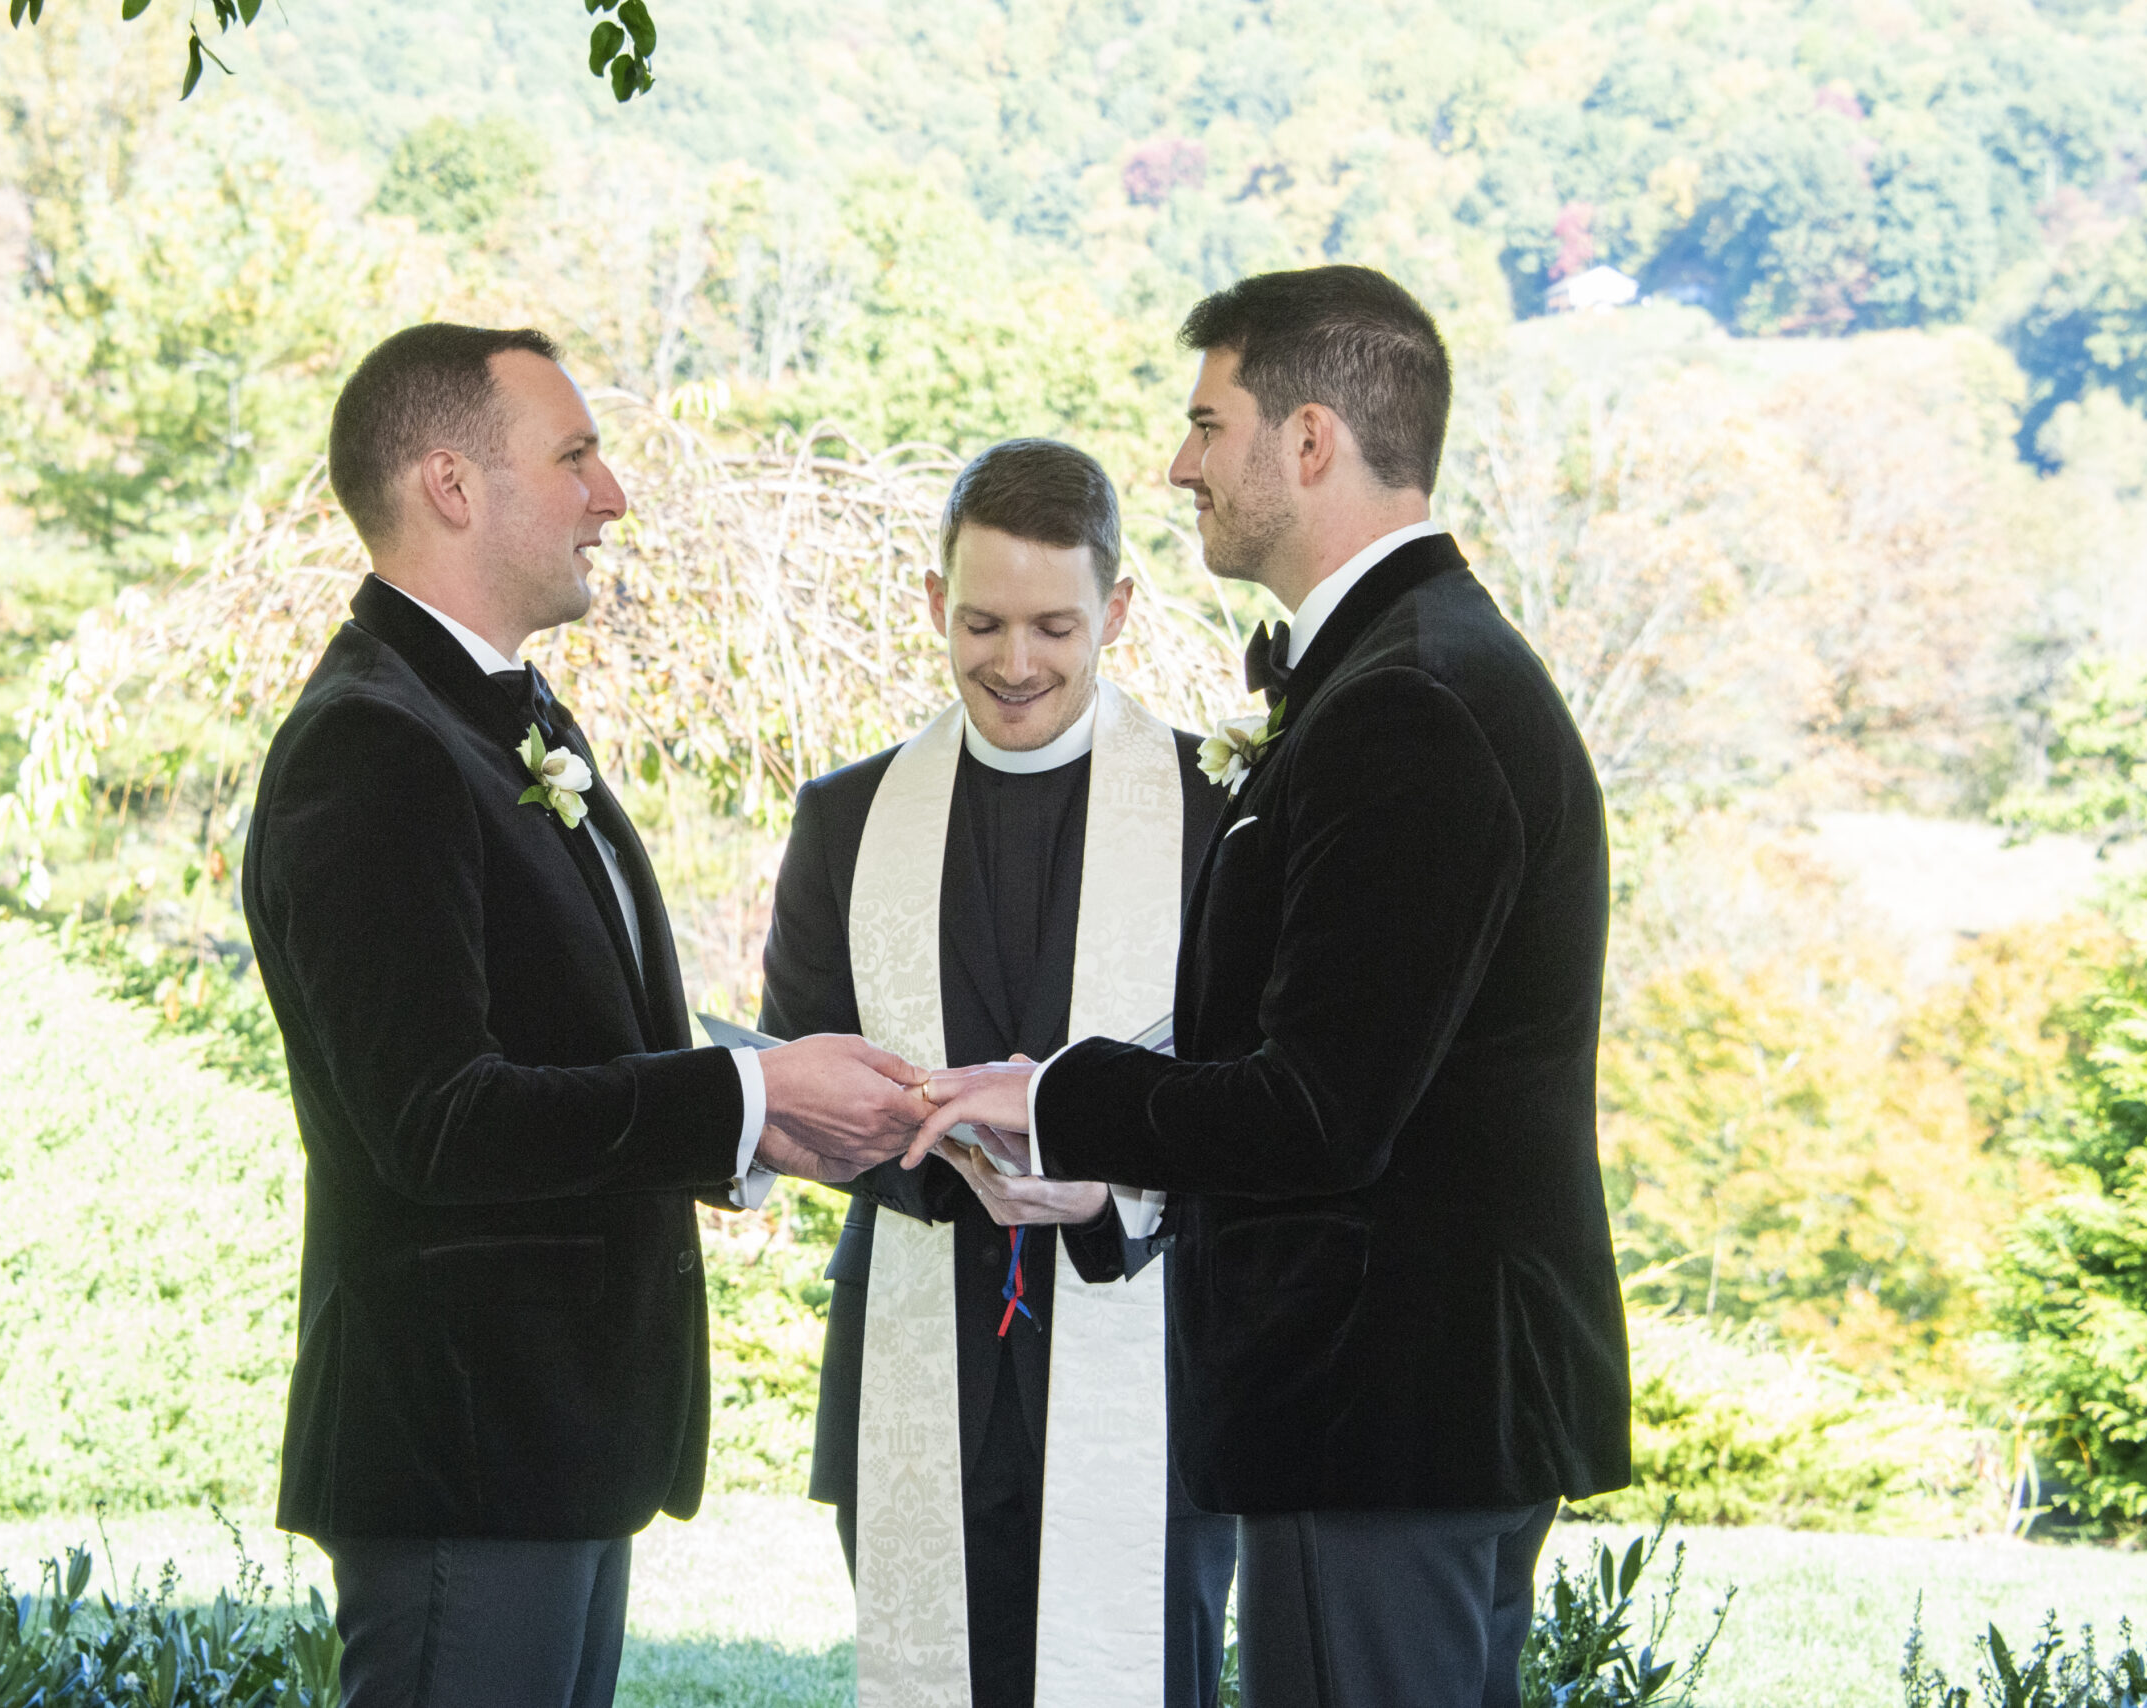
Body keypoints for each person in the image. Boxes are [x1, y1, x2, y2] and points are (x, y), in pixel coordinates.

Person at [912, 269, 1633, 1708]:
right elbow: (1353, 1066)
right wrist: (1108, 1163)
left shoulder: (1408, 703)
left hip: (1384, 1411)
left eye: (1206, 423)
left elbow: (1320, 1109)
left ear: (1308, 443)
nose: (1178, 463)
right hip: (1409, 1409)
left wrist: (1059, 1100)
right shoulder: (1402, 671)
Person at [240, 323, 929, 1708]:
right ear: (450, 485)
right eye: (574, 457)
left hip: (552, 1444)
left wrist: (766, 1119)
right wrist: (750, 1095)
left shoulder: (496, 720)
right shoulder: (373, 749)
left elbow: (570, 1052)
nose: (611, 493)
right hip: (464, 1447)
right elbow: (437, 1120)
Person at [760, 438, 1237, 1708]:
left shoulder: (1216, 813)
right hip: (916, 1365)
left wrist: (1113, 1187)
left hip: (1151, 1375)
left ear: (1117, 611)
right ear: (932, 604)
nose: (1013, 663)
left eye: (1052, 625)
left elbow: (1265, 1102)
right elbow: (793, 1082)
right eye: (979, 622)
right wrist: (931, 1145)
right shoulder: (845, 820)